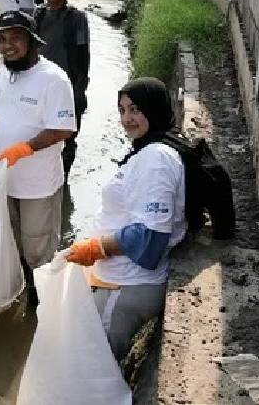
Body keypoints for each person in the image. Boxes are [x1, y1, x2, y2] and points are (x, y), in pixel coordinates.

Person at [65, 78, 185, 360]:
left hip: (129, 284)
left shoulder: (157, 159)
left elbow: (151, 237)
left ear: (154, 110)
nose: (126, 119)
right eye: (122, 110)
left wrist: (97, 248)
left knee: (96, 366)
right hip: (116, 278)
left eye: (135, 110)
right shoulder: (149, 149)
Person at [0, 10, 76, 305]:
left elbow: (63, 128)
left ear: (31, 41)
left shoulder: (53, 79)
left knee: (38, 250)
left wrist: (26, 148)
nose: (7, 45)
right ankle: (25, 295)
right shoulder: (4, 74)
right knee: (12, 245)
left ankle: (44, 309)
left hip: (39, 185)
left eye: (15, 38)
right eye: (3, 39)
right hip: (7, 180)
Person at [36, 0, 90, 178]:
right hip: (40, 88)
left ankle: (62, 180)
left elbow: (83, 56)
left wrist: (78, 91)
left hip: (67, 88)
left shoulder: (76, 19)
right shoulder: (38, 15)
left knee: (66, 139)